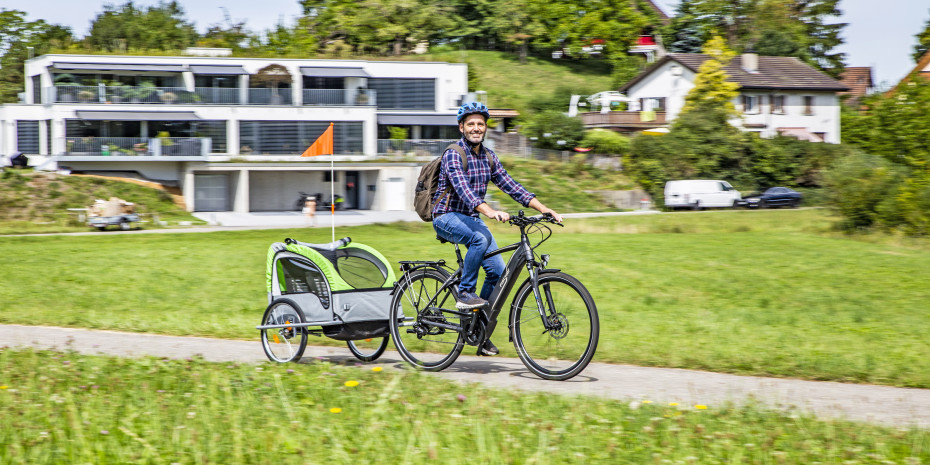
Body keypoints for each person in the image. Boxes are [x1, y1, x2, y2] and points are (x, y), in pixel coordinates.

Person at [431, 101, 563, 356]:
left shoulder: (488, 157)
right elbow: (464, 191)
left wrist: (543, 208)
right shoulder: (453, 154)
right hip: (446, 216)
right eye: (471, 124)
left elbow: (511, 185)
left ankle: (478, 333)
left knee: (498, 272)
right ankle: (466, 293)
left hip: (471, 217)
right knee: (480, 238)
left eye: (480, 124)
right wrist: (490, 211)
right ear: (461, 127)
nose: (476, 128)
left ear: (485, 128)